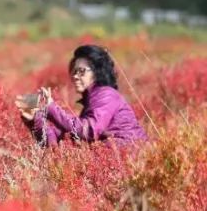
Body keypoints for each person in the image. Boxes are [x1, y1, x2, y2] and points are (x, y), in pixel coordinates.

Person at [18, 44, 148, 147]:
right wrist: (34, 118)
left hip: (129, 158)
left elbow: (89, 130)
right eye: (74, 71)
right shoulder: (92, 101)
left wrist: (51, 107)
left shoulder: (107, 95)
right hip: (113, 160)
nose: (75, 76)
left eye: (81, 71)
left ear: (97, 72)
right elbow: (58, 141)